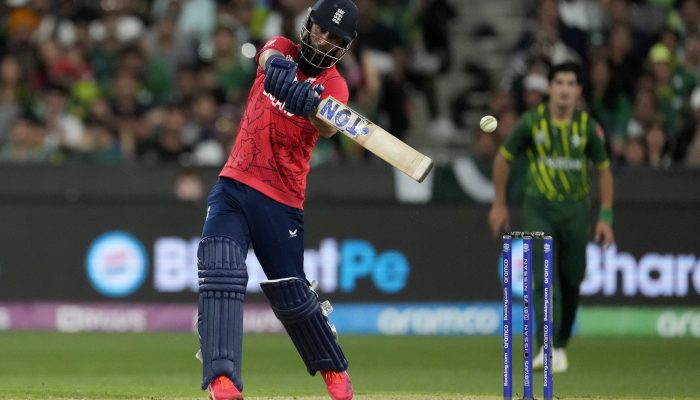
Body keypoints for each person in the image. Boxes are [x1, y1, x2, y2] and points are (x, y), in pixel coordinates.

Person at [194, 1, 359, 399]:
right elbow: (268, 54)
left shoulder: (335, 86)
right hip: (234, 184)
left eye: (335, 39)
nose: (325, 40)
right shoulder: (282, 47)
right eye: (321, 30)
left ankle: (333, 371)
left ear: (344, 46)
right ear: (309, 26)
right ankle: (223, 379)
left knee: (291, 293)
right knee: (219, 272)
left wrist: (313, 105)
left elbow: (329, 126)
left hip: (281, 200)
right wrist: (277, 67)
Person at [488, 62, 615, 373]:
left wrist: (605, 216)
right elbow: (504, 160)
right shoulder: (532, 122)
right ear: (550, 87)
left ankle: (560, 343)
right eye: (559, 82)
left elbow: (603, 170)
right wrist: (500, 204)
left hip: (575, 212)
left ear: (579, 90)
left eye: (571, 83)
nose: (564, 89)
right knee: (544, 280)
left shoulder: (587, 127)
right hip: (539, 209)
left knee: (572, 281)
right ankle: (548, 347)